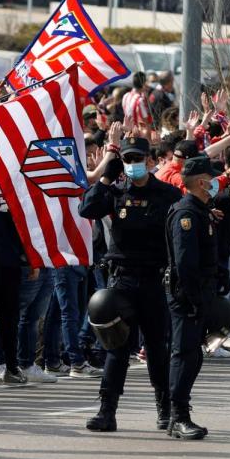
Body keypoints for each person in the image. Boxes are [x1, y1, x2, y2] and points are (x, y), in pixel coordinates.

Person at [79, 131, 182, 433]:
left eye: (138, 159)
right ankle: (106, 410)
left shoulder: (167, 195)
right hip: (121, 280)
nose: (134, 164)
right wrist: (105, 179)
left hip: (153, 279)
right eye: (128, 159)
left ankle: (166, 410)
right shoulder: (116, 191)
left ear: (150, 160)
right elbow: (87, 209)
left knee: (156, 348)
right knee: (117, 348)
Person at [165, 155, 225, 440]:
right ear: (201, 182)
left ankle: (180, 414)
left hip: (201, 293)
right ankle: (177, 417)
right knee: (184, 355)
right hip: (188, 295)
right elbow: (185, 263)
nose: (214, 182)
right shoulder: (186, 215)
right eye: (211, 179)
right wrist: (194, 298)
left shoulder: (201, 210)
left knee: (193, 356)